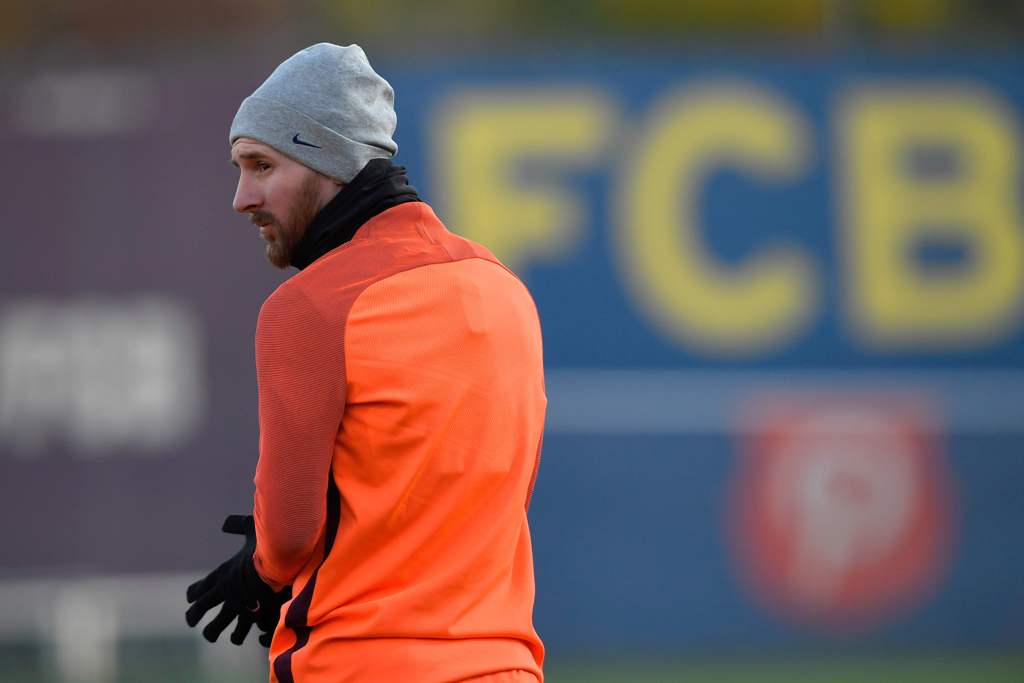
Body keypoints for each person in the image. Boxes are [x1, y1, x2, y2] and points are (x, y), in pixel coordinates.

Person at [183, 43, 547, 683]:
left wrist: (260, 568)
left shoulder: (309, 307)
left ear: (326, 162)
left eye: (262, 165)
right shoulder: (504, 288)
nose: (242, 197)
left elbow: (291, 534)